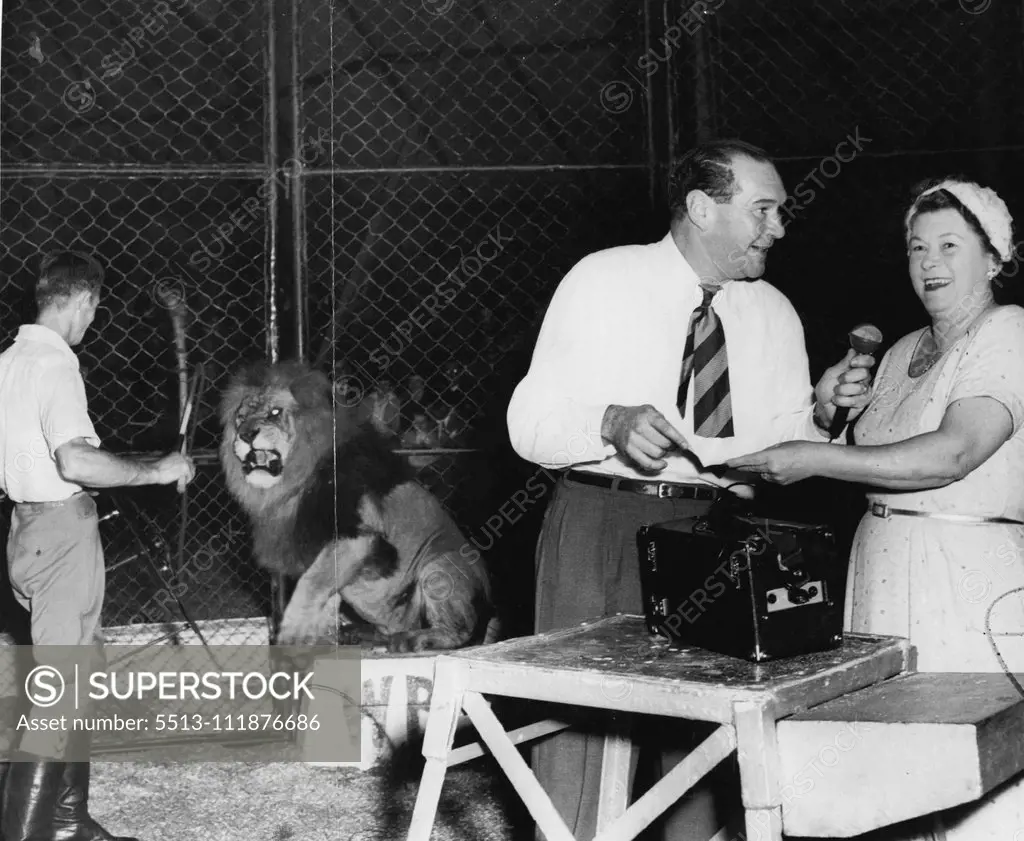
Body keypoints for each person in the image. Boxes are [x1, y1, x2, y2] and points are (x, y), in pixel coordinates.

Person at [505, 139, 876, 841]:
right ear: (703, 208)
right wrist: (608, 422)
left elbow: (781, 440)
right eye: (763, 210)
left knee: (704, 747)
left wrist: (823, 414)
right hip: (600, 518)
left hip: (716, 532)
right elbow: (528, 423)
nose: (780, 227)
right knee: (580, 736)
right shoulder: (602, 280)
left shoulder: (775, 313)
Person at [726, 176, 1024, 839]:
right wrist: (828, 409)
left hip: (967, 582)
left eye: (951, 245)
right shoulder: (898, 351)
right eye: (918, 248)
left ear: (995, 258)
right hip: (881, 573)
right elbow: (870, 446)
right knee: (888, 787)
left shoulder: (1008, 332)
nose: (929, 264)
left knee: (976, 786)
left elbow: (952, 452)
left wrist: (815, 456)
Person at [0, 250, 196, 841]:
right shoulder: (56, 365)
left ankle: (66, 822)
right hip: (59, 535)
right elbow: (76, 459)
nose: (92, 323)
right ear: (83, 299)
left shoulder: (9, 361)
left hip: (27, 528)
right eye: (94, 310)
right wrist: (157, 470)